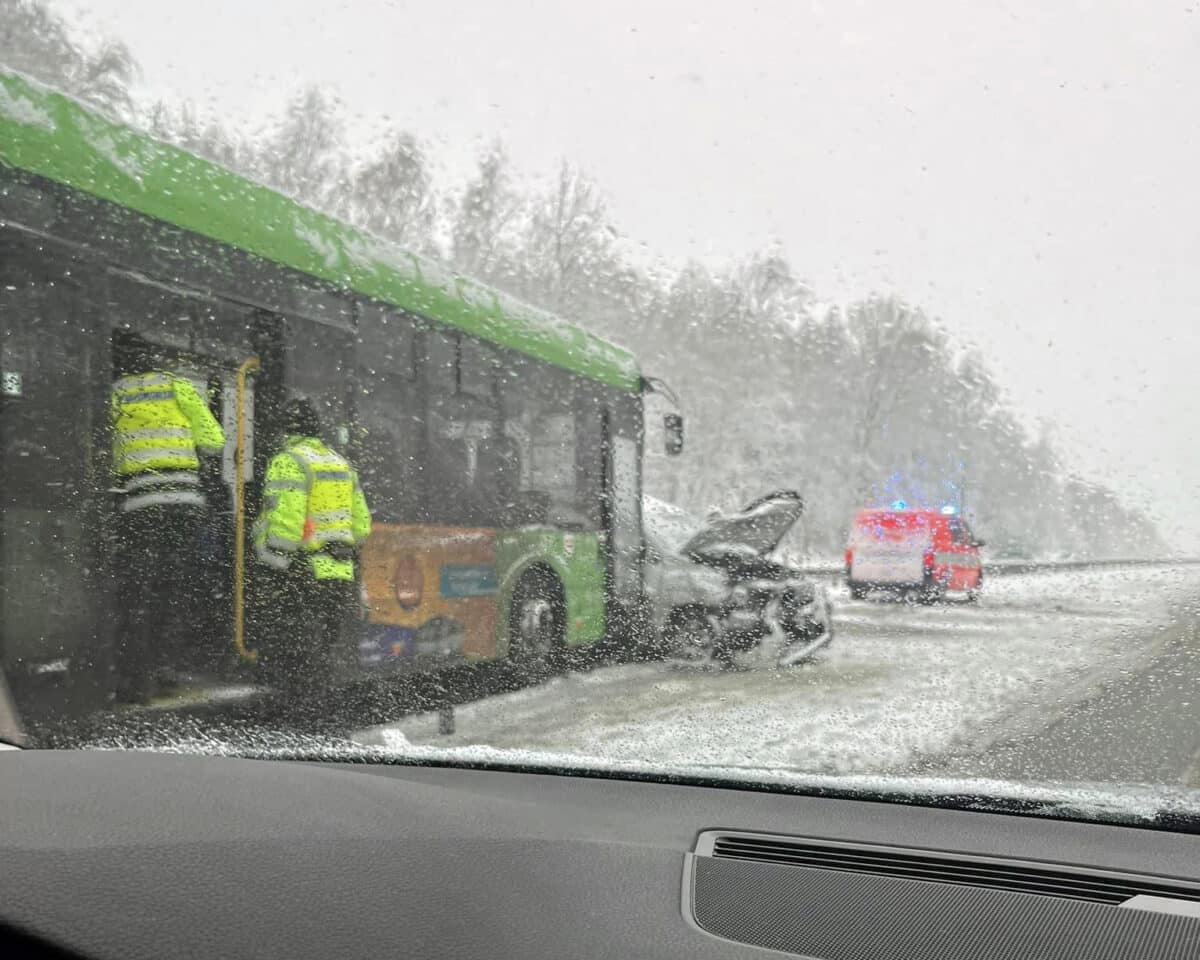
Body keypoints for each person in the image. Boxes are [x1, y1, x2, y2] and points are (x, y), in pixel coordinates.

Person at [109, 336, 225, 703]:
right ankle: (166, 672)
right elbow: (214, 441)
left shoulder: (116, 394)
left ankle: (136, 680)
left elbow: (104, 449)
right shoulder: (178, 387)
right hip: (184, 503)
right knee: (172, 590)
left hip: (141, 504)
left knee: (136, 592)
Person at [252, 398, 371, 690]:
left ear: (286, 430)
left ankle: (298, 710)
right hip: (339, 574)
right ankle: (322, 709)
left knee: (296, 657)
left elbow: (286, 524)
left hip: (303, 574)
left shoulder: (289, 461)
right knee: (323, 653)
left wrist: (272, 567)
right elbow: (361, 527)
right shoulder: (341, 464)